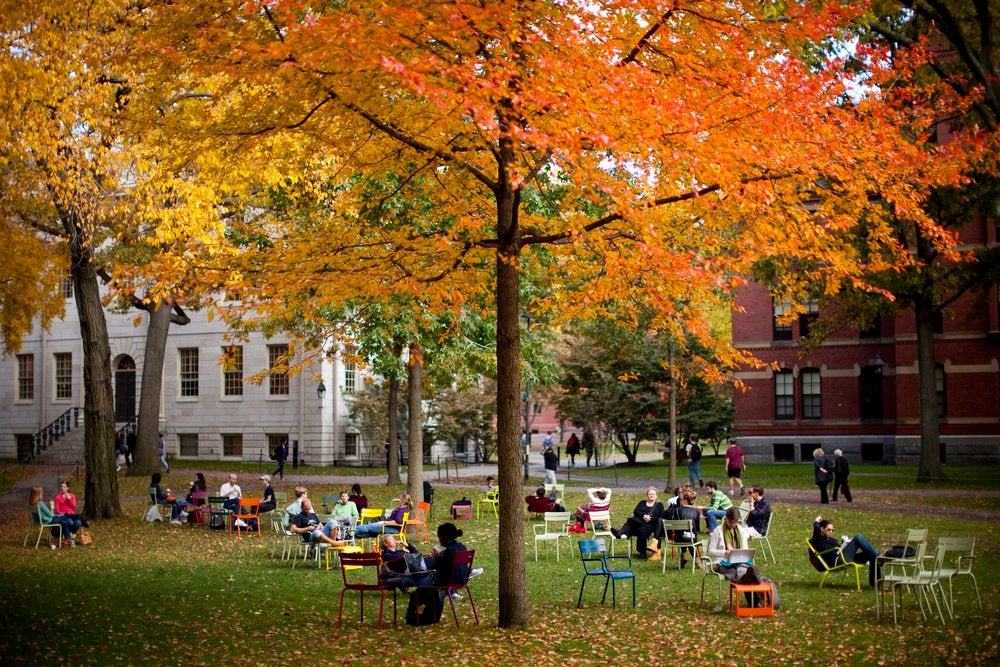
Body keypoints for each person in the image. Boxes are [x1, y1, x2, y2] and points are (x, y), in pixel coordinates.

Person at [811, 515, 880, 587]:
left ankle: (875, 584)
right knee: (858, 537)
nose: (831, 532)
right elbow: (816, 527)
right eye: (828, 529)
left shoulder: (830, 539)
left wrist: (845, 544)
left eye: (832, 530)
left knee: (870, 555)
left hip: (842, 556)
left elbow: (839, 549)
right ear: (821, 529)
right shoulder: (817, 539)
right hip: (837, 560)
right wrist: (816, 520)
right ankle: (878, 557)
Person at [611, 487, 664, 557]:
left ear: (656, 495)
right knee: (631, 522)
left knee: (640, 528)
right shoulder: (642, 502)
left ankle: (642, 552)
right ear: (647, 495)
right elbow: (636, 511)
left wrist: (650, 518)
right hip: (638, 522)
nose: (651, 495)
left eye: (653, 494)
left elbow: (661, 516)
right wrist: (643, 516)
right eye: (650, 494)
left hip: (650, 525)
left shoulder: (659, 505)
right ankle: (619, 533)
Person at [655, 487, 700, 565]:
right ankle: (697, 560)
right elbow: (697, 529)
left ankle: (683, 555)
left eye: (680, 500)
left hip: (678, 539)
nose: (679, 501)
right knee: (690, 537)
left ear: (685, 501)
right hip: (692, 539)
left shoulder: (676, 511)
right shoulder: (696, 512)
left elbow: (673, 526)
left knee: (682, 534)